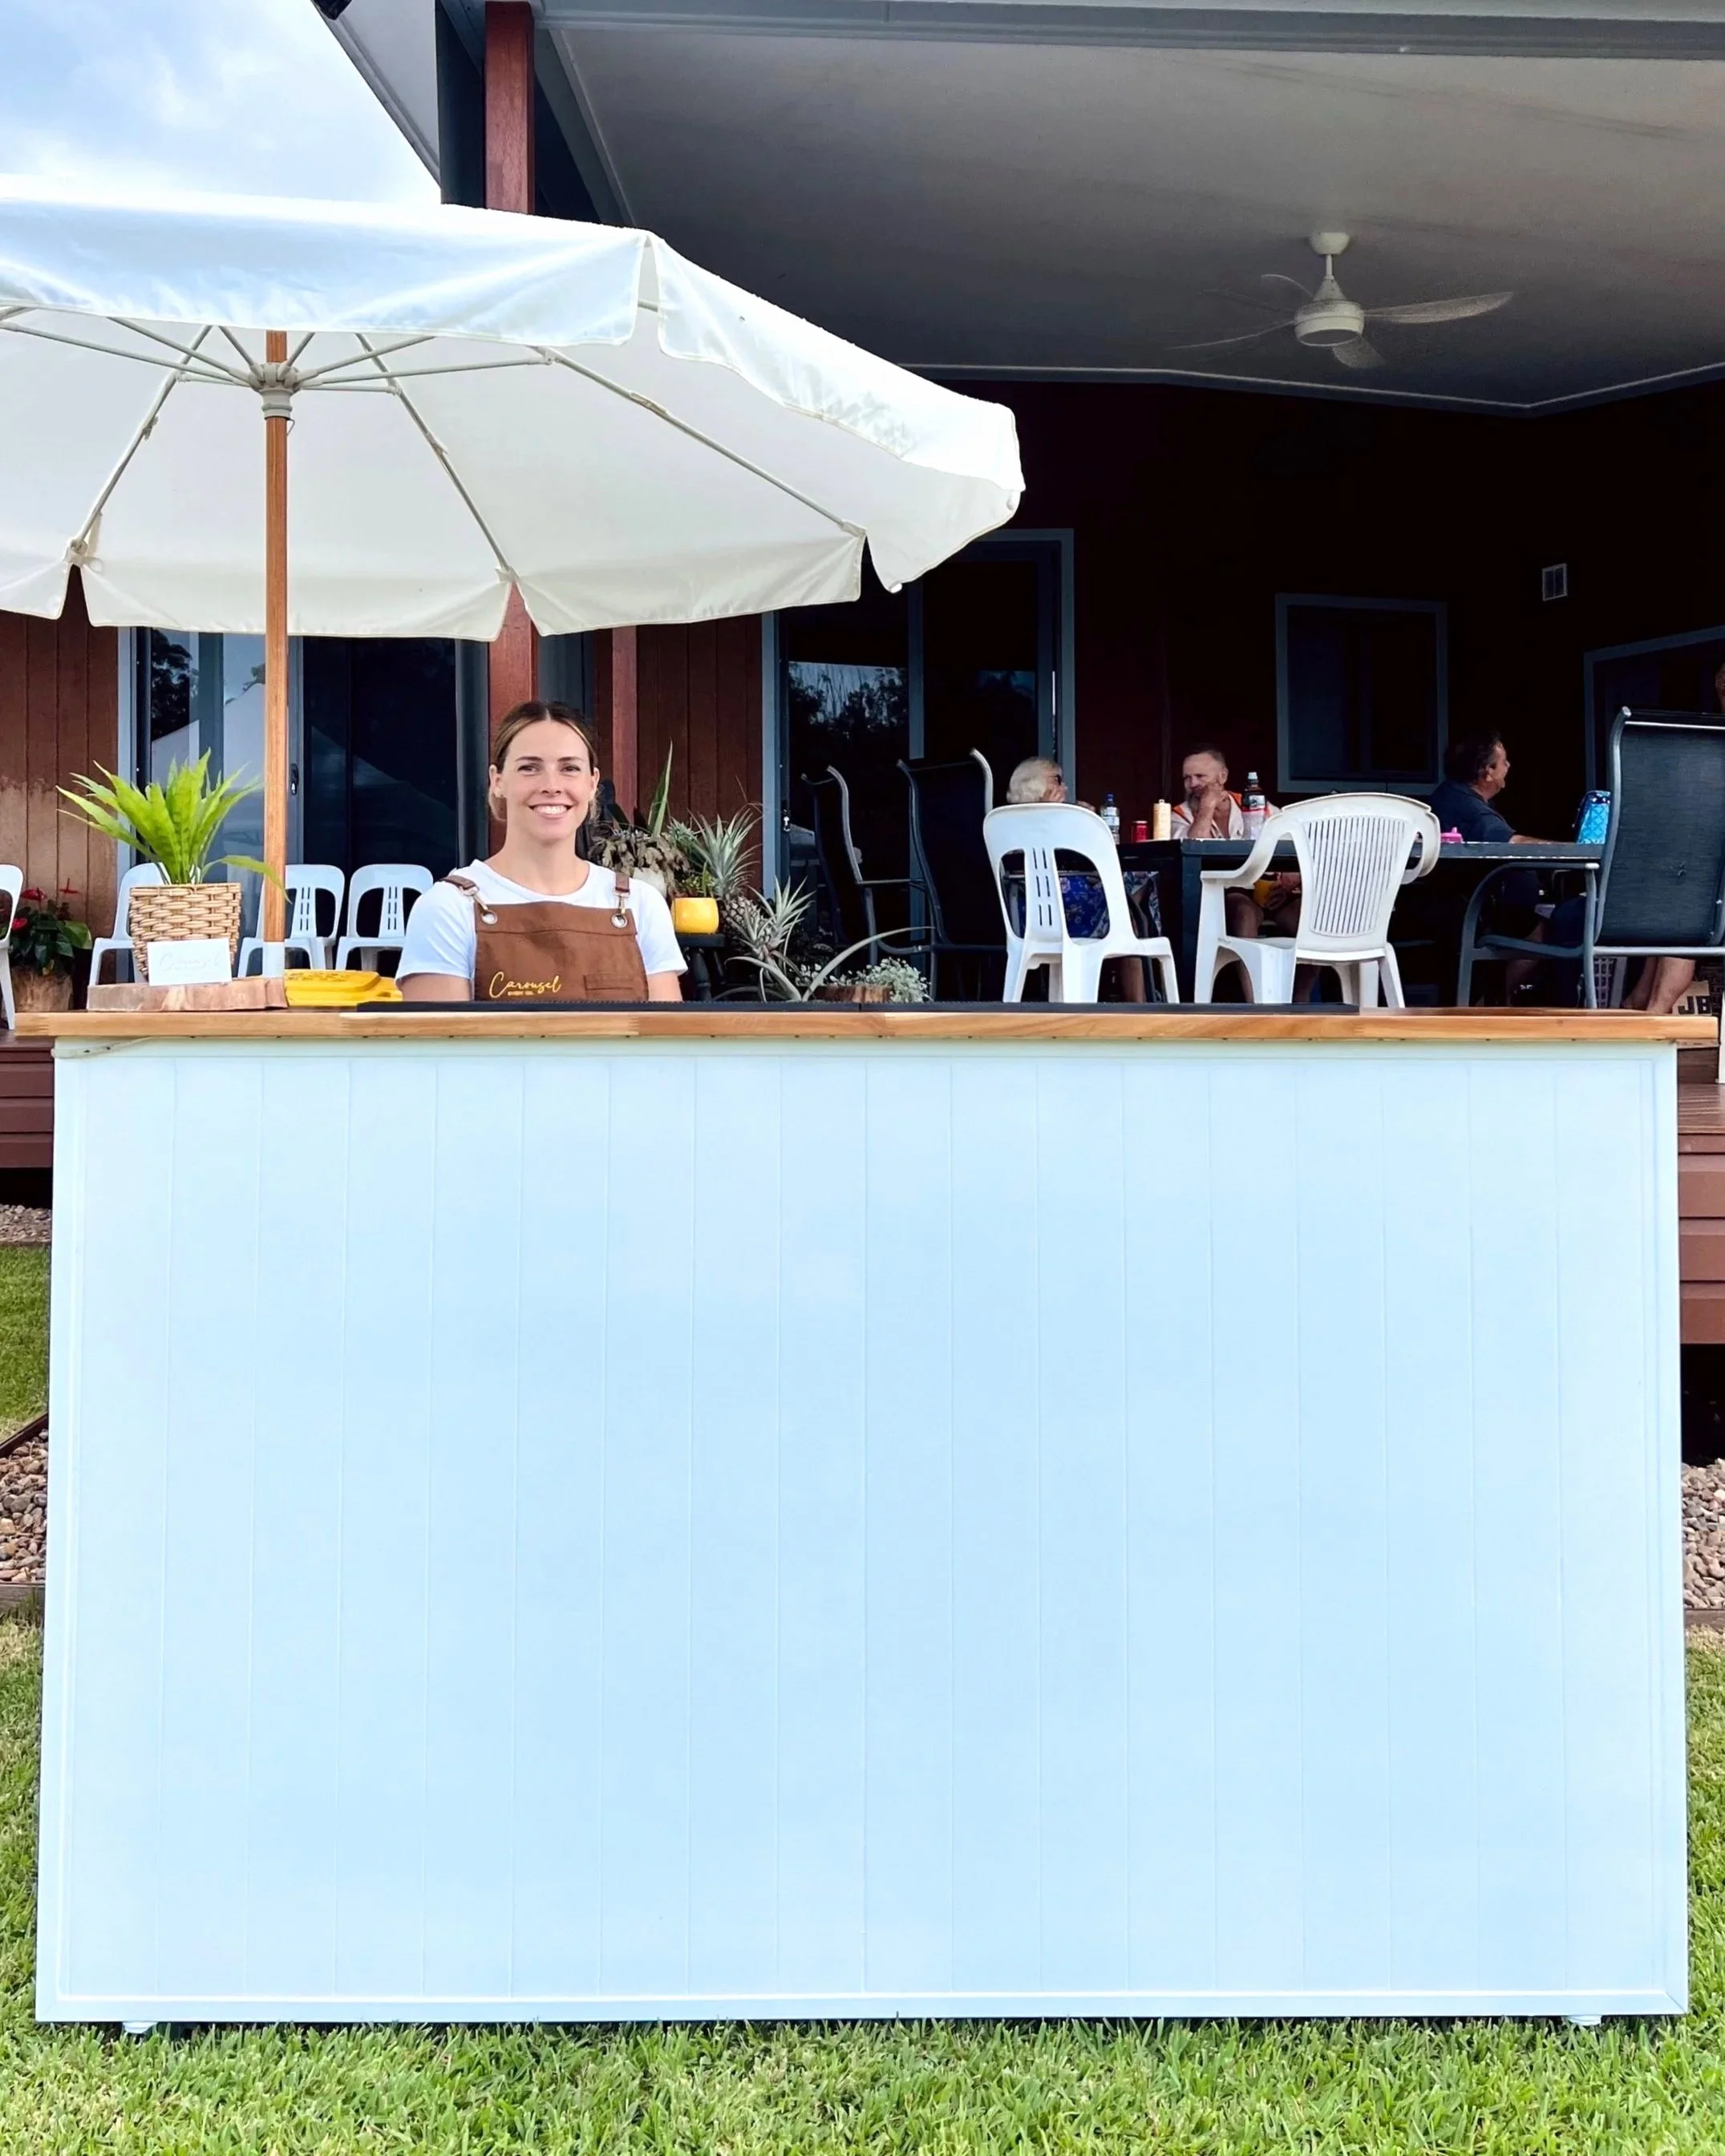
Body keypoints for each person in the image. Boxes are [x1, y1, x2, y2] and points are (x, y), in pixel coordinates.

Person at [398, 701, 686, 1002]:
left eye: (569, 768)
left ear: (592, 784)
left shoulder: (640, 905)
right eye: (529, 768)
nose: (552, 785)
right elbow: (440, 1047)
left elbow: (665, 1044)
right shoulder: (447, 908)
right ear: (498, 782)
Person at [1002, 754, 1153, 998]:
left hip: (1030, 915)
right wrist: (1081, 821)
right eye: (1057, 780)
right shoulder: (1036, 821)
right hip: (1060, 912)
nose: (1065, 787)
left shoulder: (1005, 821)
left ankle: (1128, 924)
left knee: (1131, 893)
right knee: (1136, 887)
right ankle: (1139, 997)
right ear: (1034, 785)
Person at [1172, 743, 1298, 943]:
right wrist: (1207, 806)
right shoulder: (1180, 814)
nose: (1193, 783)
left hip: (1271, 892)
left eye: (1200, 776)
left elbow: (1298, 842)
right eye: (1187, 778)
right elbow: (1193, 847)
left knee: (1309, 917)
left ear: (1222, 776)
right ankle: (1248, 975)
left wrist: (1287, 885)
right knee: (1244, 912)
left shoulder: (1255, 804)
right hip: (1223, 894)